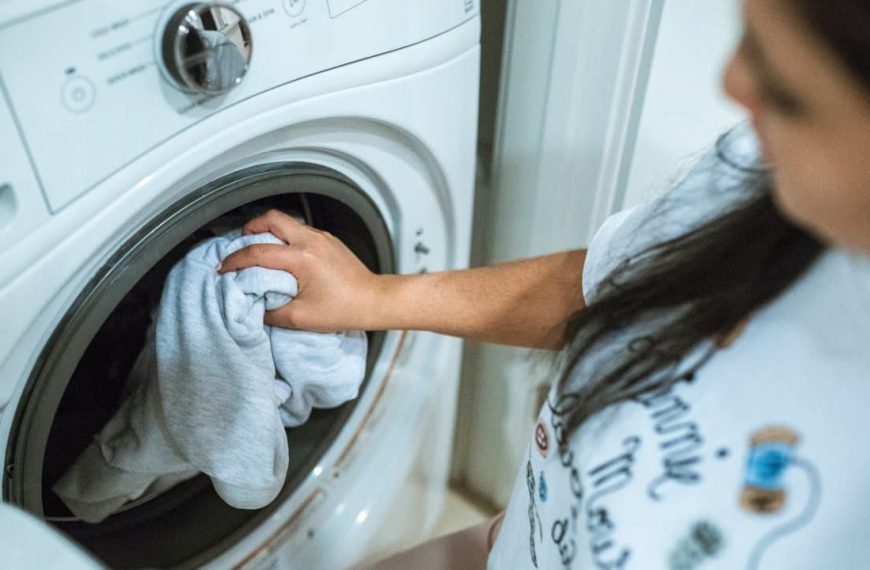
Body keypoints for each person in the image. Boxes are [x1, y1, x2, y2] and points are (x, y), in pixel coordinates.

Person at [218, 0, 870, 567]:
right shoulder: (751, 174)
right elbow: (596, 286)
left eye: (788, 92)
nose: (731, 83)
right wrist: (374, 296)